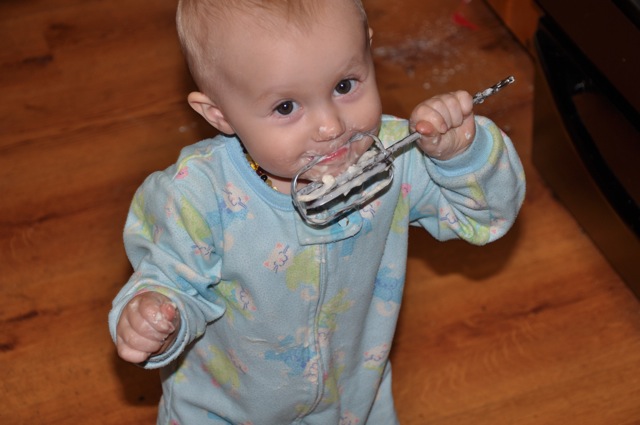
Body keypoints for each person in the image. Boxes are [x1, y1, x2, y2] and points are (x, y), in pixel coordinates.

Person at [108, 0, 526, 423]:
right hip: (225, 411)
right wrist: (157, 318)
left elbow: (486, 216)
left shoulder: (398, 160)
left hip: (353, 404)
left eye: (345, 85)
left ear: (367, 51)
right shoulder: (198, 195)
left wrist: (460, 155)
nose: (331, 126)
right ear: (219, 114)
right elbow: (169, 282)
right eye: (286, 107)